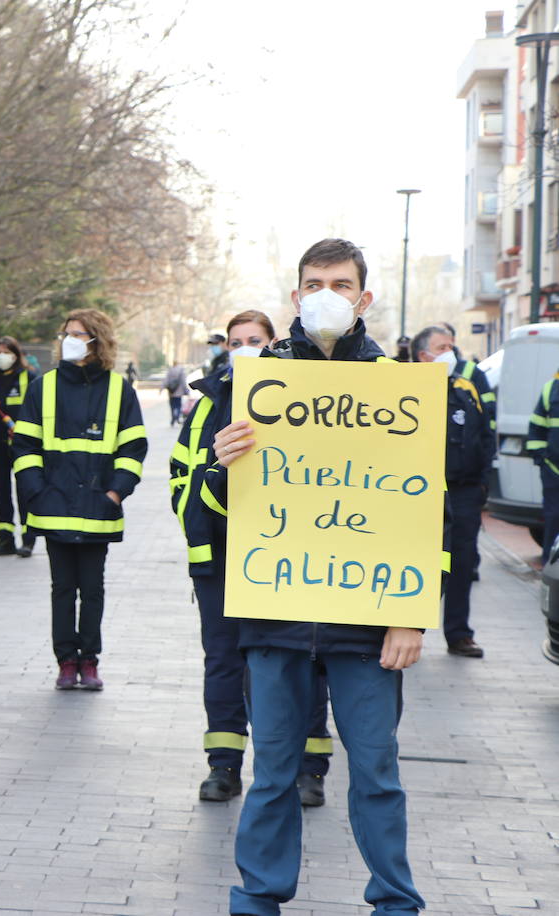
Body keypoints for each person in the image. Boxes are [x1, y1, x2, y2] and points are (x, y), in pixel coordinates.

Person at [205, 239, 426, 916]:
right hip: (275, 620)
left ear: (364, 298)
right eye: (313, 283)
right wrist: (221, 465)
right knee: (271, 774)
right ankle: (258, 899)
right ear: (295, 297)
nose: (325, 293)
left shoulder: (398, 390)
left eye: (340, 282)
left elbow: (425, 510)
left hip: (367, 623)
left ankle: (394, 901)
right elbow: (206, 513)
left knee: (378, 774)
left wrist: (411, 614)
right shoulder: (251, 385)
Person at [169, 310, 334, 805]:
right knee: (222, 663)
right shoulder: (206, 406)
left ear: (272, 343)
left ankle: (310, 770)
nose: (243, 348)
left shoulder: (297, 400)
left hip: (284, 562)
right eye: (235, 341)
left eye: (254, 340)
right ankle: (223, 766)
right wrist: (205, 521)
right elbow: (182, 478)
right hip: (219, 560)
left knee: (304, 660)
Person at [13, 309, 146, 691]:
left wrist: (115, 492)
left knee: (92, 589)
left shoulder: (119, 389)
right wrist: (36, 490)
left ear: (96, 341)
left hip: (97, 510)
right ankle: (65, 662)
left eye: (78, 334)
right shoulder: (43, 386)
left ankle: (89, 660)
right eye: (66, 333)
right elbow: (24, 444)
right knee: (61, 589)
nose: (68, 339)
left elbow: (133, 447)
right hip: (53, 507)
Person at [412, 326, 491, 659]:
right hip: (418, 493)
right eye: (442, 347)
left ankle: (459, 634)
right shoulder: (406, 389)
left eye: (451, 346)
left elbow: (485, 436)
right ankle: (406, 627)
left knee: (461, 563)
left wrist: (481, 484)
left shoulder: (465, 389)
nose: (451, 353)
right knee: (415, 561)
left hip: (462, 492)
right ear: (423, 356)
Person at [0, 336, 37, 556]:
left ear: (16, 354)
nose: (2, 356)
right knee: (0, 492)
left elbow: (38, 409)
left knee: (24, 491)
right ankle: (5, 540)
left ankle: (28, 540)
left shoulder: (28, 377)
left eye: (7, 352)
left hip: (23, 446)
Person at [528, 371, 559, 563]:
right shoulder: (551, 388)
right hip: (553, 471)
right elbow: (536, 427)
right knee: (554, 520)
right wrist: (542, 460)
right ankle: (550, 568)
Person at [162, 362, 188, 426]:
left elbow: (166, 380)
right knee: (178, 406)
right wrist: (186, 390)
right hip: (179, 393)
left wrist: (161, 388)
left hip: (171, 392)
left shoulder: (170, 370)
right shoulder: (181, 371)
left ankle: (173, 417)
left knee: (172, 406)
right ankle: (177, 417)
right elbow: (183, 381)